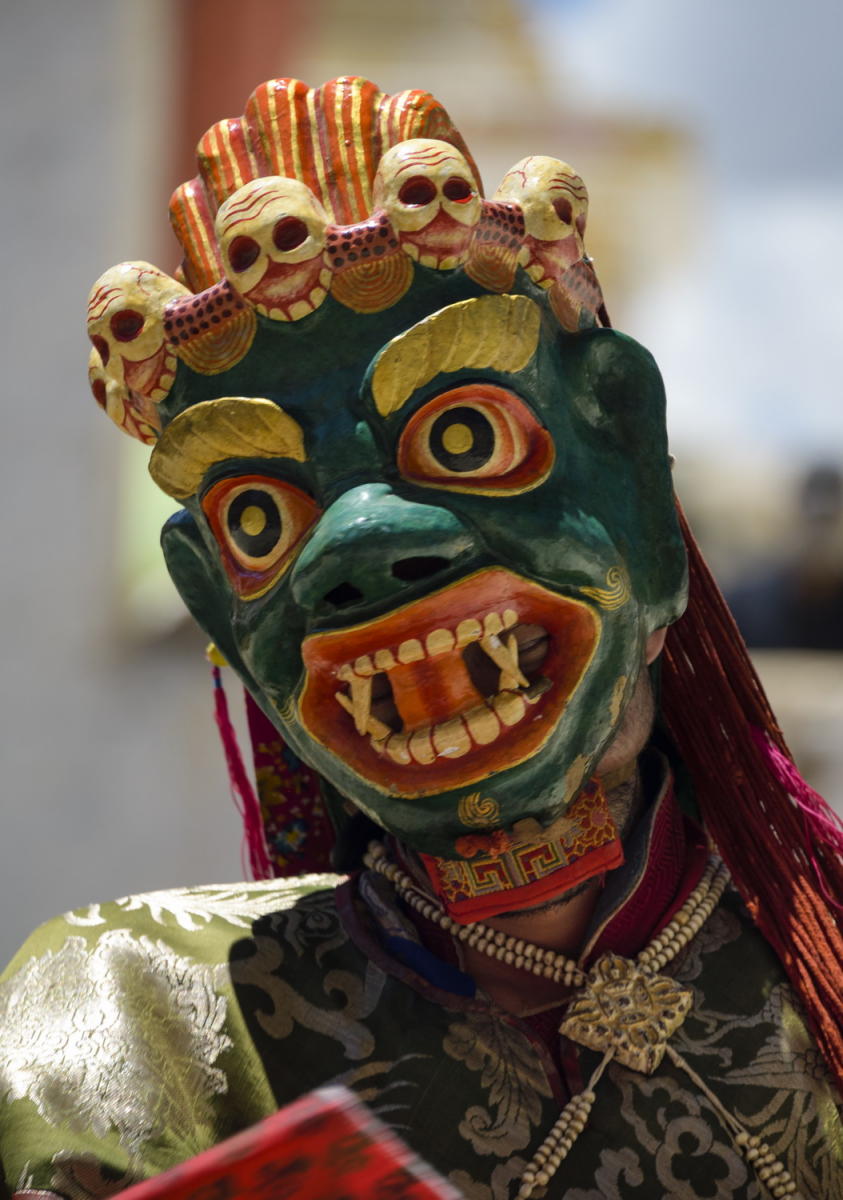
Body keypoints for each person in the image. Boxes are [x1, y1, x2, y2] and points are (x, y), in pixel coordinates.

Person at [1, 76, 842, 1200]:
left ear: (635, 486)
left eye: (461, 435)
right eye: (263, 517)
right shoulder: (138, 1014)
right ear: (228, 624)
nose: (355, 549)